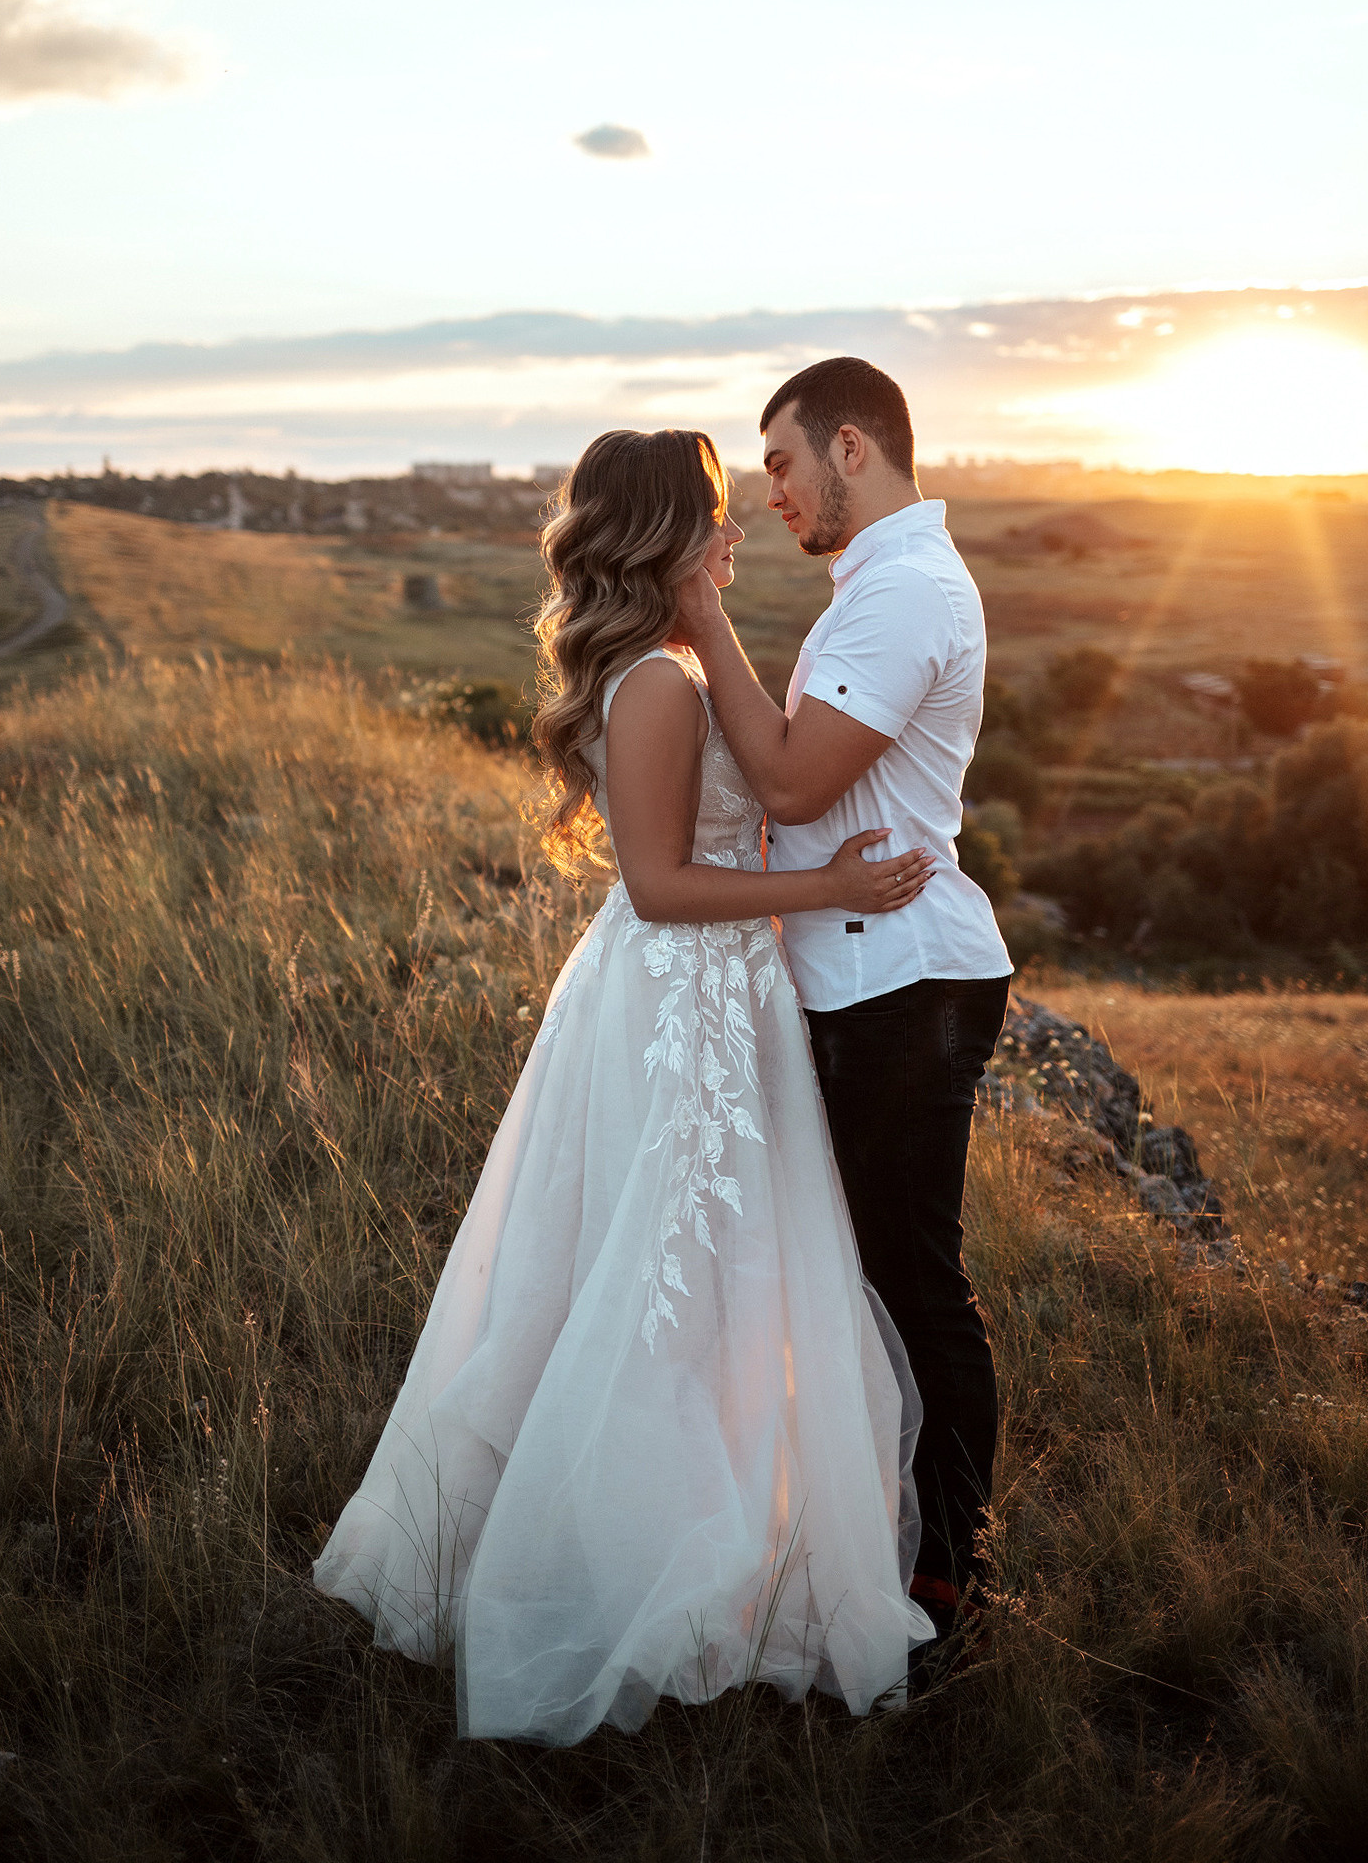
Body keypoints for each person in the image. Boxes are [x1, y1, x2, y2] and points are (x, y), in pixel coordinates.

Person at [314, 427, 937, 1742]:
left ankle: (697, 1544)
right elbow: (659, 887)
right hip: (681, 1004)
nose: (736, 528)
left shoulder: (670, 659)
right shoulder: (652, 686)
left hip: (712, 1001)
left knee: (701, 1283)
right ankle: (626, 1574)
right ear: (659, 532)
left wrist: (710, 616)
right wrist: (830, 886)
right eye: (714, 510)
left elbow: (766, 769)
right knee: (665, 1287)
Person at [676, 357, 1013, 1647]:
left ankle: (945, 1579)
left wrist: (701, 617)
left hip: (903, 979)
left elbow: (795, 784)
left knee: (910, 1280)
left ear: (852, 448)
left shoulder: (903, 593)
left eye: (780, 463)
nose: (770, 494)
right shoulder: (876, 585)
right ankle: (880, 1538)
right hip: (869, 971)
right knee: (868, 1273)